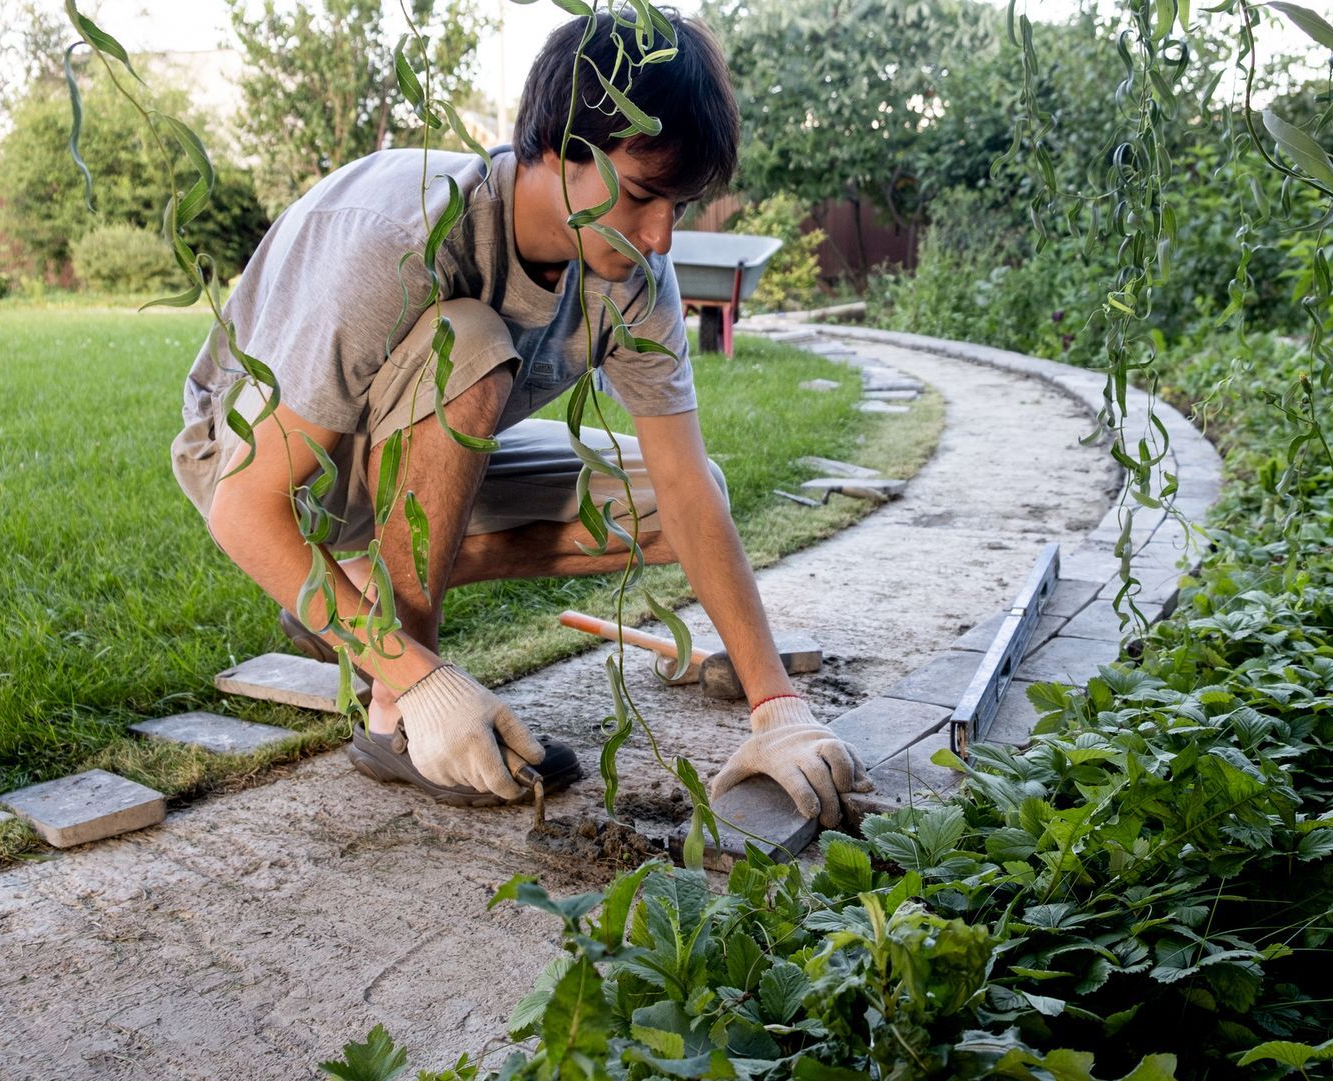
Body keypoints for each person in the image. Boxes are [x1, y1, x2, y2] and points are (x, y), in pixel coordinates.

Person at [168, 12, 871, 826]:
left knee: (668, 502)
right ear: (558, 145)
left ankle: (354, 597)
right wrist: (423, 680)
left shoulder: (635, 272)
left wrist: (774, 705)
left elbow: (682, 484)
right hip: (276, 466)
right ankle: (396, 713)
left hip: (423, 450)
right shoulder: (402, 239)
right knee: (467, 343)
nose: (659, 237)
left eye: (681, 204)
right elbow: (242, 509)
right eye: (643, 195)